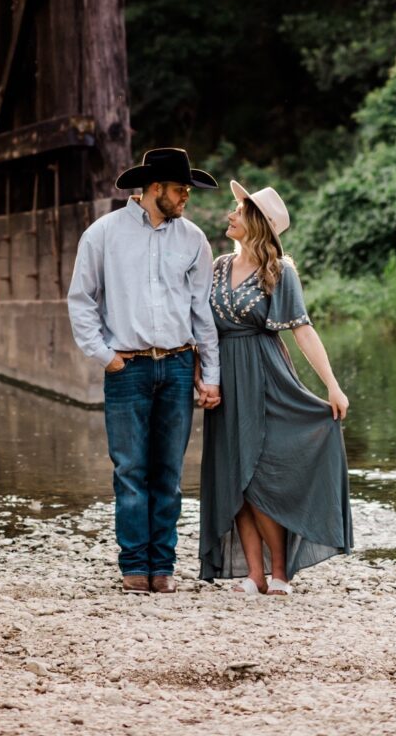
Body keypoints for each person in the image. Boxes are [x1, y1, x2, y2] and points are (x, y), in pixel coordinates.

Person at [68, 148, 221, 595]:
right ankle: (135, 566)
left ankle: (164, 567)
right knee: (130, 470)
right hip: (127, 367)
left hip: (177, 365)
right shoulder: (102, 235)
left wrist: (210, 374)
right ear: (154, 189)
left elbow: (202, 312)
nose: (186, 197)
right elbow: (82, 300)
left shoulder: (193, 239)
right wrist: (105, 355)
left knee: (168, 473)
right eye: (180, 189)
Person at [198, 180, 353, 594]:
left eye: (237, 210)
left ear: (256, 223)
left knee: (260, 473)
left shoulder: (279, 272)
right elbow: (200, 328)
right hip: (225, 379)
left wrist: (333, 387)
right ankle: (253, 575)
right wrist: (201, 374)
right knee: (235, 477)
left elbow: (302, 331)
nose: (229, 215)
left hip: (266, 375)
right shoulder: (216, 267)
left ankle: (280, 573)